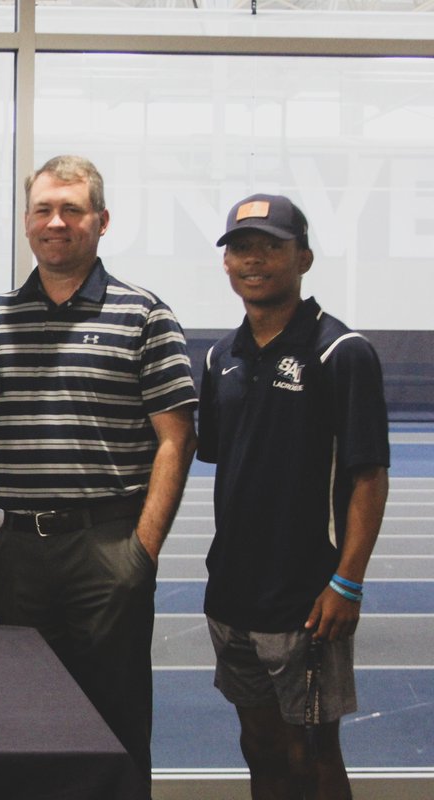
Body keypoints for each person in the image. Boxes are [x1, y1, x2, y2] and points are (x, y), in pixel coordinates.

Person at [0, 155, 198, 785]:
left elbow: (176, 440)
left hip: (107, 551)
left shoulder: (145, 315)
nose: (56, 221)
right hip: (17, 554)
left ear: (101, 221)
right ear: (26, 221)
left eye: (72, 209)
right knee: (19, 733)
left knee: (113, 736)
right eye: (43, 209)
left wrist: (139, 554)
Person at [199, 194, 390, 799]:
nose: (253, 260)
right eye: (241, 248)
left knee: (312, 753)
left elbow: (368, 477)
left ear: (302, 257)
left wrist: (348, 582)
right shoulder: (219, 357)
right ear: (227, 264)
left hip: (306, 598)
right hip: (232, 594)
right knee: (257, 744)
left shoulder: (341, 352)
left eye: (270, 247)